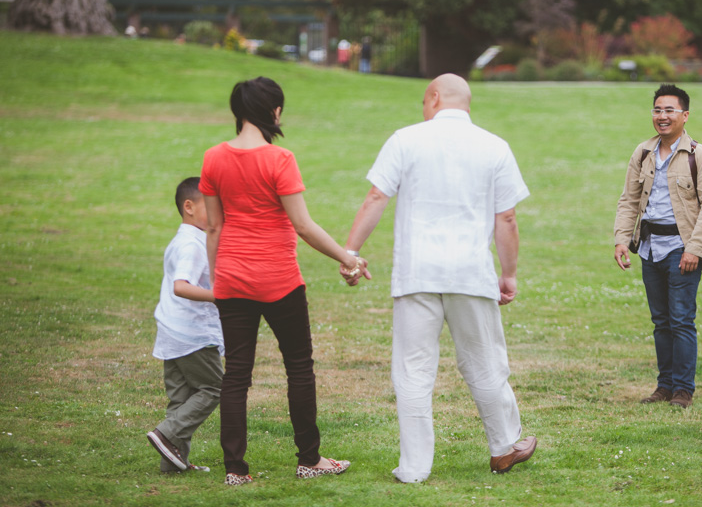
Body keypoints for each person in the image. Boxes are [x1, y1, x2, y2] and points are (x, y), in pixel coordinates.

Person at [343, 73, 536, 483]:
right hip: (471, 271)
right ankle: (503, 447)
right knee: (484, 362)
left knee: (412, 370)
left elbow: (376, 197)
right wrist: (509, 273)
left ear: (434, 97)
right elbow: (507, 217)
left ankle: (414, 468)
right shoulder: (494, 146)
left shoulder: (405, 139)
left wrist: (351, 253)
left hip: (417, 272)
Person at [200, 76, 369, 486]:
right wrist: (349, 258)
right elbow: (304, 227)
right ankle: (309, 459)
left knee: (236, 374)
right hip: (279, 281)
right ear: (273, 112)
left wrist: (218, 280)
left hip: (233, 281)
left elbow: (213, 228)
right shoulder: (280, 159)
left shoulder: (213, 158)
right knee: (299, 369)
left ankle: (235, 470)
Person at [613, 84, 702, 409]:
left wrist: (695, 249)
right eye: (657, 110)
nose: (662, 116)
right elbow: (629, 200)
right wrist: (621, 238)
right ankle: (664, 386)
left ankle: (682, 390)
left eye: (669, 110)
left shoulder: (699, 155)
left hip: (681, 247)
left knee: (681, 320)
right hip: (648, 248)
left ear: (684, 116)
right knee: (660, 322)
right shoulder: (642, 153)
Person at [147, 177, 224, 474]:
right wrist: (220, 296)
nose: (218, 212)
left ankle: (173, 464)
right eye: (211, 206)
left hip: (171, 331)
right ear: (188, 207)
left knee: (180, 397)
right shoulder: (192, 244)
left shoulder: (183, 240)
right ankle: (167, 433)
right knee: (216, 387)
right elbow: (181, 286)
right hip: (192, 333)